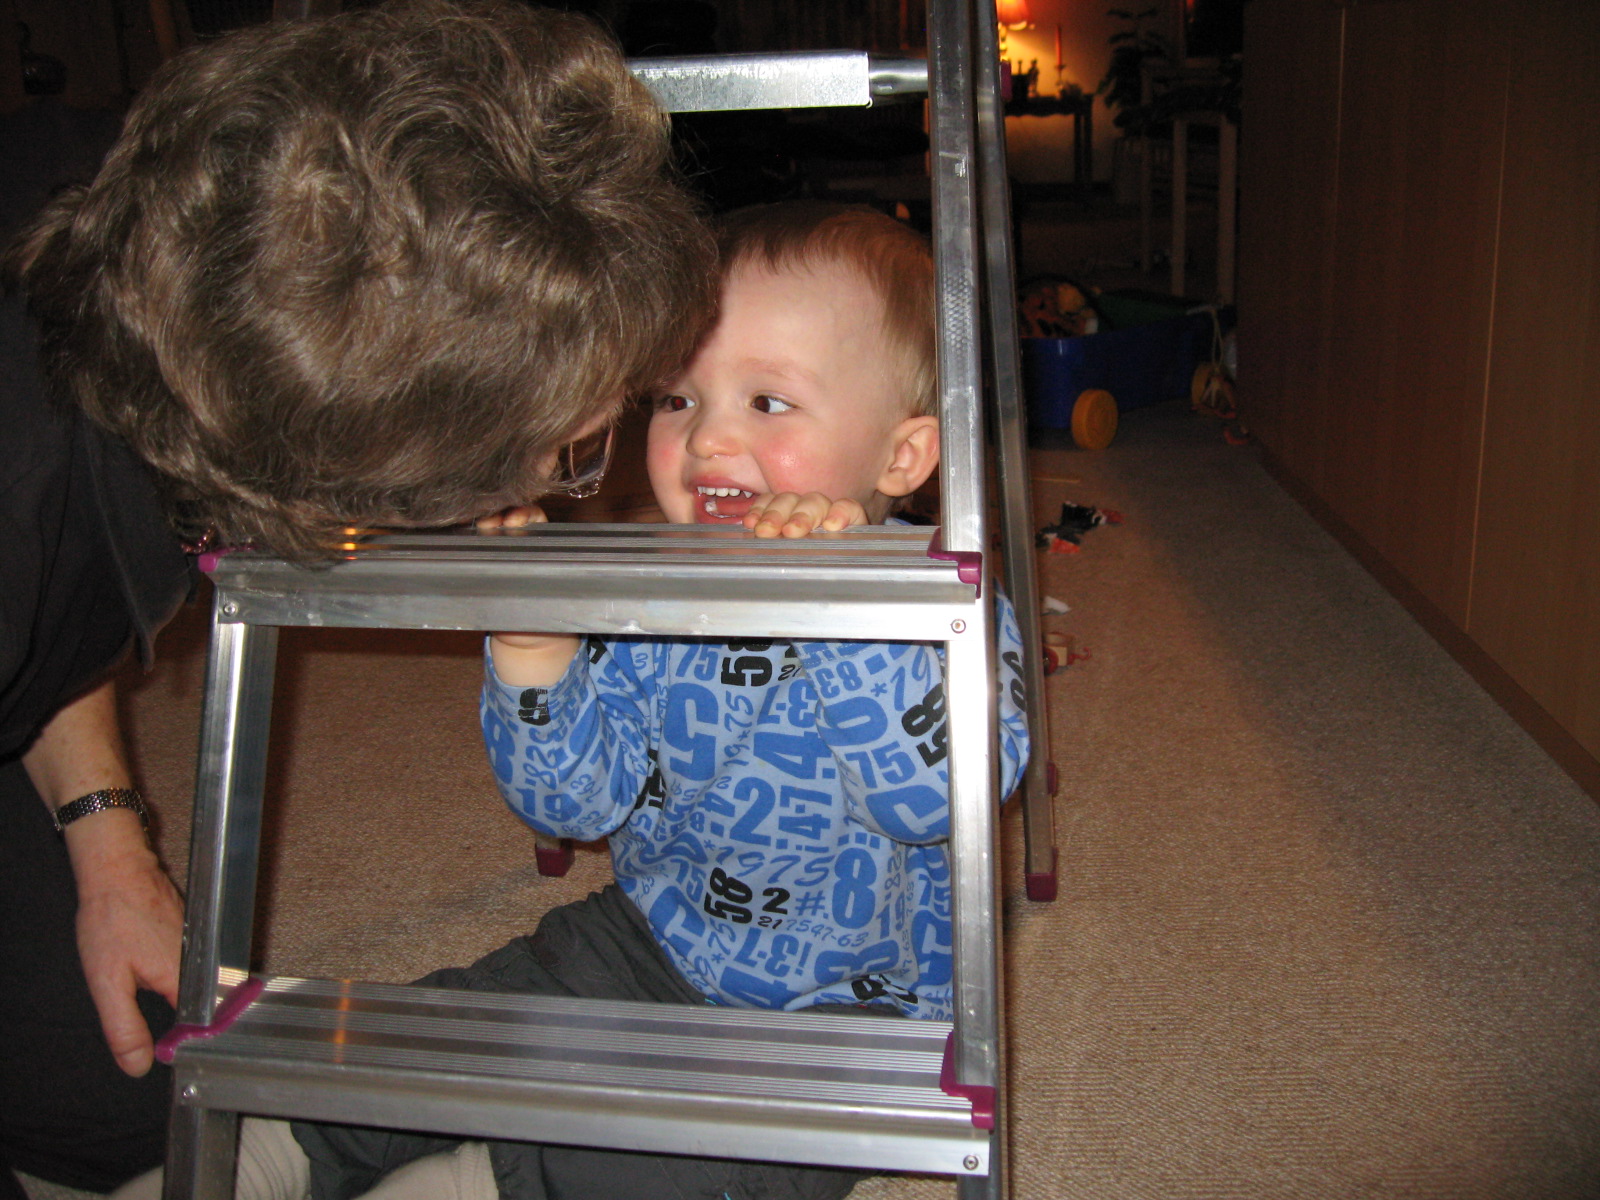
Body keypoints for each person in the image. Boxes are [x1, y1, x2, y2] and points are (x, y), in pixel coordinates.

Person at [1, 1, 716, 1195]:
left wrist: (106, 844)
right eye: (570, 452)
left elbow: (58, 614)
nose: (577, 471)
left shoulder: (150, 203)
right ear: (356, 478)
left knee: (137, 1114)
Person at [206, 202, 1028, 1200]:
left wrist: (839, 608)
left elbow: (929, 802)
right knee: (472, 1021)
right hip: (653, 933)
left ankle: (485, 1180)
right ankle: (289, 1141)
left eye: (768, 402)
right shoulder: (649, 588)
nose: (708, 436)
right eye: (677, 400)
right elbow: (575, 806)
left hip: (855, 1007)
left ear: (902, 457)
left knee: (709, 1162)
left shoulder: (946, 602)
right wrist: (536, 653)